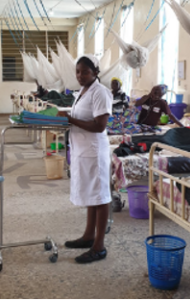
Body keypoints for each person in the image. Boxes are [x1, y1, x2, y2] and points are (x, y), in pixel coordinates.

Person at [64, 55, 112, 264]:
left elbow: (100, 125)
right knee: (92, 195)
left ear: (95, 73)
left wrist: (70, 119)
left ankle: (99, 246)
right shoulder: (82, 92)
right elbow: (81, 118)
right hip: (83, 152)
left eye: (84, 71)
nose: (80, 76)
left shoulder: (100, 92)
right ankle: (88, 236)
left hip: (94, 153)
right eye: (77, 71)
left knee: (100, 197)